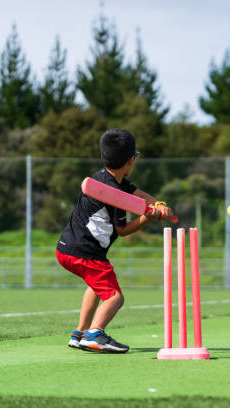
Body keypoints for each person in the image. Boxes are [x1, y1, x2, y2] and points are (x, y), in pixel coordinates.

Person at [55, 128, 174, 353]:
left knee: (96, 287)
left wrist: (159, 205)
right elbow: (123, 230)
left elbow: (141, 196)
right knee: (115, 298)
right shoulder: (115, 195)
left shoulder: (106, 179)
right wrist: (147, 219)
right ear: (131, 161)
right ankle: (95, 334)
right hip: (86, 254)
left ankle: (79, 333)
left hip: (66, 248)